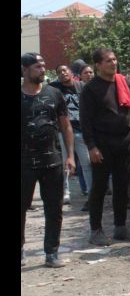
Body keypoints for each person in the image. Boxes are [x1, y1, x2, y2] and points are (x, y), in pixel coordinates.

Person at [80, 48, 130, 245]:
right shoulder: (91, 89)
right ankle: (96, 230)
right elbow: (86, 121)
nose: (113, 63)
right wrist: (91, 147)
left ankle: (120, 227)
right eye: (108, 61)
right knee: (99, 188)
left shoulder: (124, 83)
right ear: (98, 65)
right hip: (101, 144)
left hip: (124, 142)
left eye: (115, 59)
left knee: (122, 186)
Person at [21, 53, 76, 268]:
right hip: (24, 164)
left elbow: (66, 126)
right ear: (25, 70)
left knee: (54, 209)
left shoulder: (54, 94)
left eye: (44, 65)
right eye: (37, 66)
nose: (43, 70)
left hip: (52, 161)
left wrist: (70, 156)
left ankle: (52, 253)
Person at [49, 64, 90, 205]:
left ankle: (91, 193)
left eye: (65, 70)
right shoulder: (53, 88)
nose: (62, 73)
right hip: (63, 132)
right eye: (59, 71)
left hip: (81, 130)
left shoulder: (81, 86)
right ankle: (65, 193)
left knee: (87, 163)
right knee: (64, 164)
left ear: (71, 72)